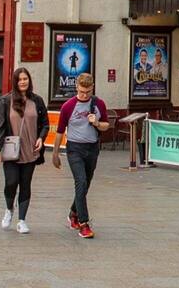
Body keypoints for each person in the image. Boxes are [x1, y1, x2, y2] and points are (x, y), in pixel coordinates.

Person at [0, 68, 49, 235]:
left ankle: (22, 220)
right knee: (11, 182)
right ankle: (9, 209)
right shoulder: (6, 100)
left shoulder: (37, 100)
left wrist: (41, 138)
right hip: (11, 151)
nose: (23, 82)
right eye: (20, 79)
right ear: (15, 82)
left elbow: (45, 123)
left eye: (26, 79)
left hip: (30, 151)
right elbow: (0, 127)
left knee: (25, 185)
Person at [58, 73, 112, 239]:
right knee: (80, 181)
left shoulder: (98, 104)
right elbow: (60, 131)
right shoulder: (68, 106)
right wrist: (54, 154)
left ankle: (73, 213)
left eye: (88, 92)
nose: (84, 95)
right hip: (74, 148)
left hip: (92, 148)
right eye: (82, 91)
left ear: (92, 88)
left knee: (86, 184)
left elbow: (106, 126)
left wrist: (96, 122)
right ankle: (84, 223)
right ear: (77, 88)